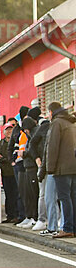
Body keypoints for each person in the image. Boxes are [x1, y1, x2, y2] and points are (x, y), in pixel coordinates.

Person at [46, 102, 76, 238]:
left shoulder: (57, 123)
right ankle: (73, 227)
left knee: (64, 198)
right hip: (73, 166)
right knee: (73, 197)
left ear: (52, 112)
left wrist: (50, 168)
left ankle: (68, 228)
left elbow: (53, 146)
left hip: (62, 168)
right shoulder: (71, 122)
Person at [0, 123, 19, 223]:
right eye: (7, 130)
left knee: (16, 194)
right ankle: (9, 215)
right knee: (8, 194)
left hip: (15, 172)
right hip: (5, 172)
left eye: (11, 130)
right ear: (3, 132)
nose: (9, 132)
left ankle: (17, 215)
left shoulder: (16, 141)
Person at [29, 111, 51, 232]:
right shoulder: (44, 128)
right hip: (44, 165)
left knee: (53, 195)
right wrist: (37, 159)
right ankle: (42, 219)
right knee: (43, 194)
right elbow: (32, 144)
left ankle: (53, 220)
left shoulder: (55, 126)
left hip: (52, 165)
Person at [17, 115, 39, 228]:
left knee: (34, 194)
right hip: (28, 166)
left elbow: (33, 150)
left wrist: (24, 154)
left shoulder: (33, 135)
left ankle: (36, 217)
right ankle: (32, 217)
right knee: (30, 194)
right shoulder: (30, 135)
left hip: (31, 167)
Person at [10, 106, 30, 221]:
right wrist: (12, 160)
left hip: (26, 164)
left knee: (27, 192)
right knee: (21, 192)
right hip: (20, 164)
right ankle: (24, 216)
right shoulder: (19, 132)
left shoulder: (25, 132)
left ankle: (29, 216)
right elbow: (13, 147)